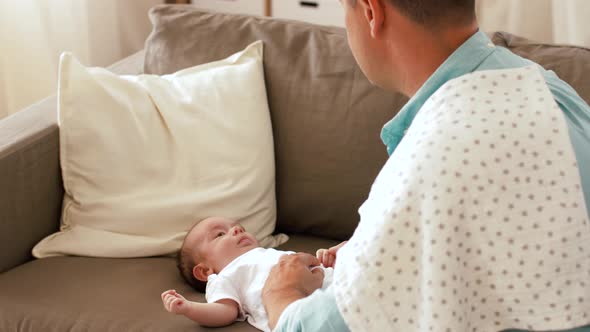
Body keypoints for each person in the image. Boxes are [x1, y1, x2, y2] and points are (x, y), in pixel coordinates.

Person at [262, 0, 590, 331]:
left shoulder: (437, 154)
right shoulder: (553, 91)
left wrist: (281, 293)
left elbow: (322, 326)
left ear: (371, 12)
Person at [160, 216, 342, 332]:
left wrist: (327, 258)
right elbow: (225, 311)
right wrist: (189, 308)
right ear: (205, 270)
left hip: (337, 282)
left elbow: (310, 265)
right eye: (220, 234)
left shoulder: (268, 254)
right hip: (302, 312)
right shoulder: (225, 276)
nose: (237, 230)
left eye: (238, 227)